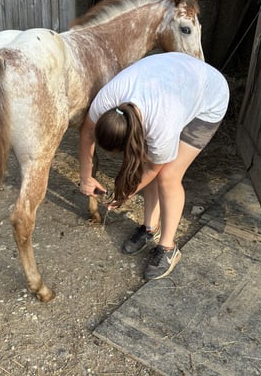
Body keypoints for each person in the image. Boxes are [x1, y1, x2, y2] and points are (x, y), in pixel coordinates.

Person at [79, 52, 230, 280]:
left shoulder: (161, 126)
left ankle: (168, 248)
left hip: (209, 95)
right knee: (152, 165)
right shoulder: (107, 101)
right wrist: (85, 176)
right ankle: (150, 228)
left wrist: (125, 195)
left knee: (168, 176)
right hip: (174, 78)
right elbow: (87, 132)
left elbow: (152, 169)